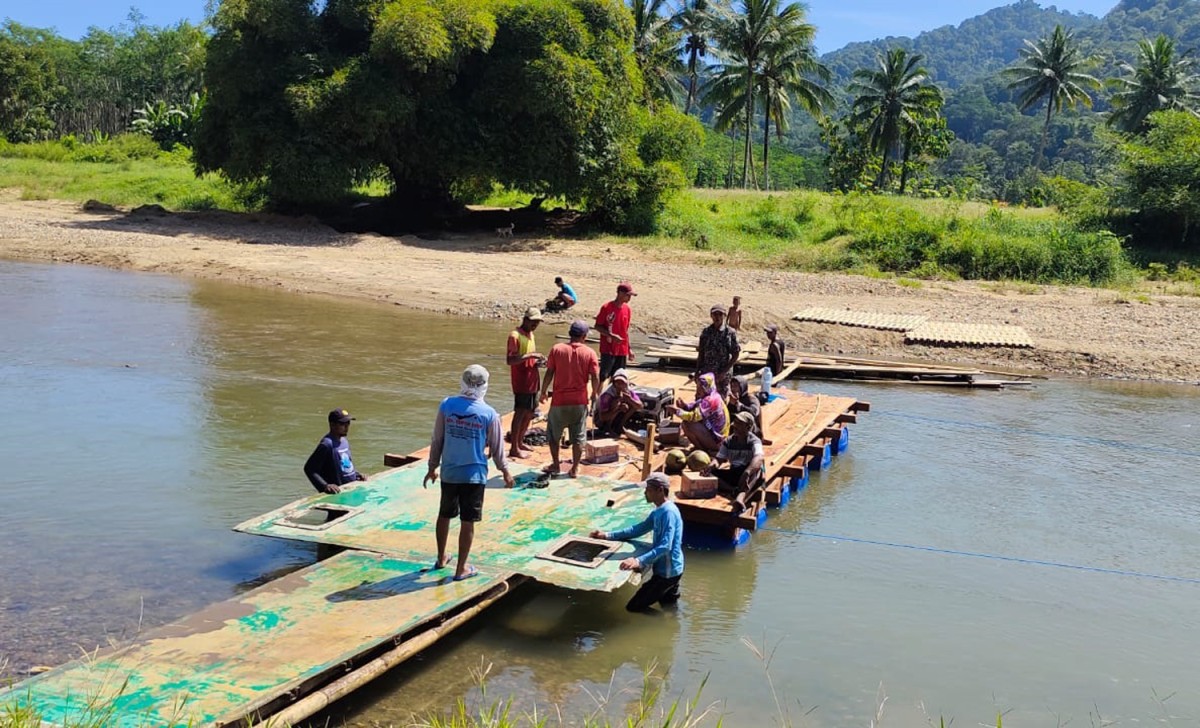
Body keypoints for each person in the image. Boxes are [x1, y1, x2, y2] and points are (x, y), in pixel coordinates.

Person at [423, 365, 514, 581]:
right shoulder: (489, 414)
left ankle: (441, 557)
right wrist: (505, 471)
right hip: (474, 475)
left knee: (444, 515)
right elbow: (497, 447)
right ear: (484, 385)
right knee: (467, 521)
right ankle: (461, 568)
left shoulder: (447, 405)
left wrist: (432, 467)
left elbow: (437, 439)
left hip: (449, 472)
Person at [590, 472, 683, 613]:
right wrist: (607, 535)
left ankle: (662, 622)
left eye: (648, 490)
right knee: (668, 606)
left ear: (660, 490)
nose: (645, 493)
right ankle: (671, 623)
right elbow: (638, 529)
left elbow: (665, 546)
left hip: (667, 573)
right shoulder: (659, 510)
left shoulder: (668, 513)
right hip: (674, 569)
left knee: (634, 607)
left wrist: (638, 561)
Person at [539, 319, 600, 478]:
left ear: (570, 334)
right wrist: (594, 393)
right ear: (584, 336)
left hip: (559, 401)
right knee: (578, 436)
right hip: (579, 402)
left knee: (554, 435)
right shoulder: (590, 353)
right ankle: (575, 468)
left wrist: (543, 391)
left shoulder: (557, 349)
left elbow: (550, 372)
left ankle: (556, 465)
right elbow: (595, 376)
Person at [703, 411, 764, 516]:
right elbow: (719, 459)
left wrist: (747, 472)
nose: (735, 425)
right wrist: (712, 465)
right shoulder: (728, 441)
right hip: (735, 472)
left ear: (748, 427)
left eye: (740, 423)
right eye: (735, 422)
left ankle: (741, 496)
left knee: (758, 470)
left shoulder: (754, 441)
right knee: (709, 474)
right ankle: (733, 490)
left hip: (748, 474)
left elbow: (759, 457)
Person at [507, 306, 545, 459]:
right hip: (522, 382)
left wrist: (537, 362)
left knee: (530, 412)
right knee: (520, 412)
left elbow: (528, 358)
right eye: (533, 322)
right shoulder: (515, 336)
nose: (535, 325)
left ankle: (520, 441)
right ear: (525, 320)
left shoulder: (531, 335)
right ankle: (514, 448)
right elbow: (510, 360)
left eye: (537, 322)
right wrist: (531, 356)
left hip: (532, 380)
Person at [304, 408, 368, 494]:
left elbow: (344, 465)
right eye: (342, 424)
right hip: (338, 494)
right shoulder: (327, 444)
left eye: (348, 423)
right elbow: (309, 469)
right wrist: (325, 486)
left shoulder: (344, 441)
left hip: (350, 490)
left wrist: (356, 475)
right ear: (332, 425)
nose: (346, 427)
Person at [671, 372, 729, 455]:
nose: (697, 390)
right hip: (716, 437)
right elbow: (695, 406)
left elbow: (693, 416)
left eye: (700, 387)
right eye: (697, 387)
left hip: (718, 441)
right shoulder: (711, 395)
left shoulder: (711, 400)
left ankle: (702, 451)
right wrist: (684, 406)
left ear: (706, 387)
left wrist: (676, 411)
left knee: (687, 424)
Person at [695, 303, 741, 396]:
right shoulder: (706, 332)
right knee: (703, 398)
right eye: (715, 314)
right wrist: (697, 370)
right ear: (711, 316)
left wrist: (724, 371)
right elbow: (701, 353)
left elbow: (736, 354)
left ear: (724, 316)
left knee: (720, 400)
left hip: (722, 375)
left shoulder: (730, 333)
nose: (717, 317)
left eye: (720, 314)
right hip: (707, 373)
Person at [595, 281, 636, 384]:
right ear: (620, 293)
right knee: (604, 376)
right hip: (608, 348)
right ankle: (597, 393)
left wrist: (629, 349)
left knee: (618, 377)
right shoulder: (606, 308)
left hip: (622, 349)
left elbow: (625, 331)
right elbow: (597, 326)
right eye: (628, 295)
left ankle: (613, 393)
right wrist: (611, 335)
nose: (629, 298)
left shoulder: (627, 309)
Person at [593, 368, 642, 437]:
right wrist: (618, 409)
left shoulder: (628, 390)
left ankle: (619, 426)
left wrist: (630, 399)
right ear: (613, 383)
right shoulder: (607, 394)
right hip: (600, 419)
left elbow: (640, 406)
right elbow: (602, 417)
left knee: (633, 404)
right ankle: (607, 428)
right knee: (615, 403)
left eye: (622, 383)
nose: (619, 385)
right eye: (617, 382)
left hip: (615, 415)